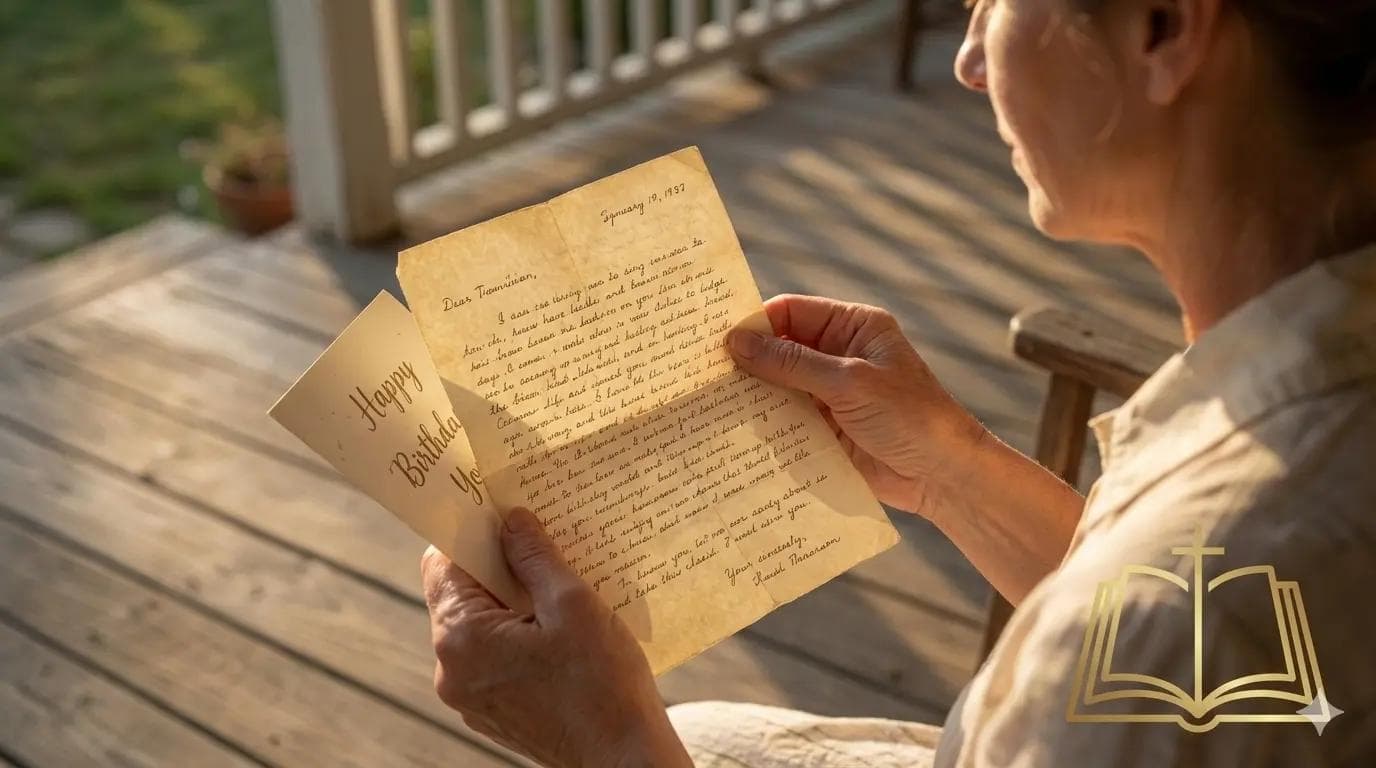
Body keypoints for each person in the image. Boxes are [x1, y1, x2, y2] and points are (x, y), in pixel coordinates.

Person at [419, 0, 1376, 764]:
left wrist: (609, 745)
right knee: (707, 733)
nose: (966, 60)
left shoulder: (1151, 631)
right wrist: (951, 468)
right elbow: (1225, 650)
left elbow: (1170, 632)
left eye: (990, 1)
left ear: (1163, 26)